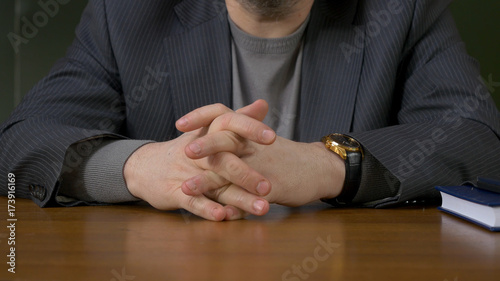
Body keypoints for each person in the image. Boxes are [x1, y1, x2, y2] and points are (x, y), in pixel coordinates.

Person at [1, 0, 499, 221]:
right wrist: (140, 166)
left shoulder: (403, 9)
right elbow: (20, 140)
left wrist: (327, 165)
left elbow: (480, 139)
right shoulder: (127, 12)